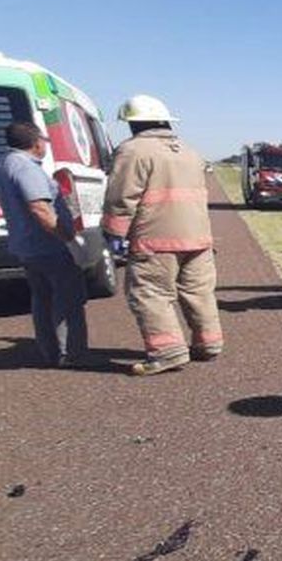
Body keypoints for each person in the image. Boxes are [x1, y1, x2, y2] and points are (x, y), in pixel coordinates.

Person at [102, 94, 222, 376]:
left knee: (150, 293)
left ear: (134, 124)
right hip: (198, 237)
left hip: (156, 238)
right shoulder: (189, 151)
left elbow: (121, 197)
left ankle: (168, 352)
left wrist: (113, 233)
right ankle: (209, 343)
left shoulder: (133, 151)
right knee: (198, 292)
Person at [0, 121, 88, 367]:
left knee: (43, 299)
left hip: (28, 246)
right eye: (44, 140)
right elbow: (41, 209)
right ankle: (72, 354)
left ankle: (52, 352)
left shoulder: (5, 165)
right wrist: (70, 240)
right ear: (36, 143)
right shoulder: (26, 169)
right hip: (49, 246)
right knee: (68, 300)